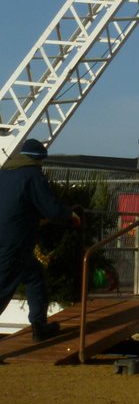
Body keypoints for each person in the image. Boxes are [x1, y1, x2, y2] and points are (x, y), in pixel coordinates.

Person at [0, 138, 81, 342]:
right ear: (39, 160)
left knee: (34, 276)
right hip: (14, 243)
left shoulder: (4, 173)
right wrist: (71, 217)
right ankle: (39, 325)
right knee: (3, 287)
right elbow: (51, 209)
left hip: (7, 239)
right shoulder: (32, 175)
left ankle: (40, 326)